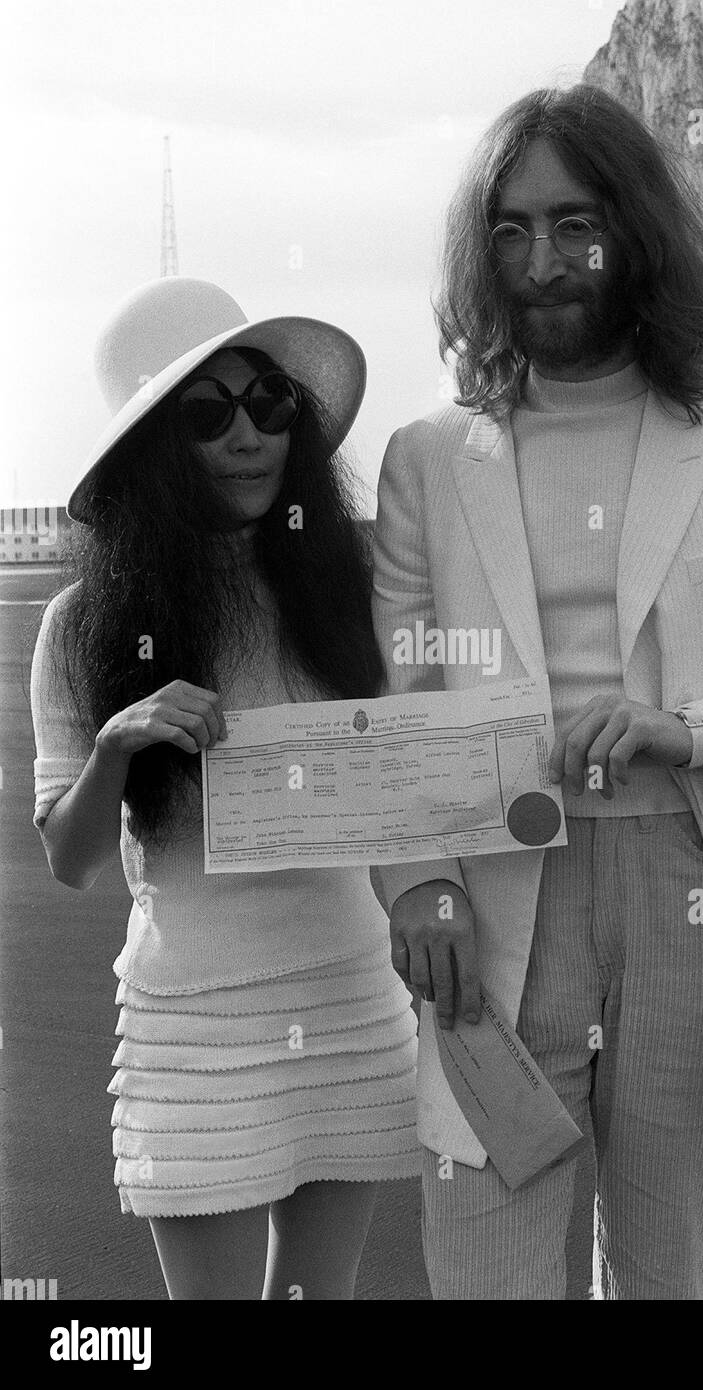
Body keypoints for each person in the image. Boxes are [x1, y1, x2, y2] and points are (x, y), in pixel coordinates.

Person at [370, 85, 703, 1299]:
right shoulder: (428, 458)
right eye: (507, 229)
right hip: (488, 894)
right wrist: (421, 886)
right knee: (487, 1273)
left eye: (571, 224)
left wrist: (690, 730)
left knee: (664, 1274)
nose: (538, 260)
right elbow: (393, 709)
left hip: (693, 889)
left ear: (633, 231)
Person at [30, 276, 420, 1300]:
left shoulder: (352, 587)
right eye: (209, 414)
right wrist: (118, 745)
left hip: (348, 993)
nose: (250, 436)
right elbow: (67, 860)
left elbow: (426, 765)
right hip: (192, 1022)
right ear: (156, 451)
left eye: (270, 403)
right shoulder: (83, 625)